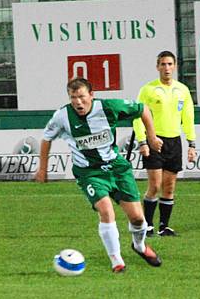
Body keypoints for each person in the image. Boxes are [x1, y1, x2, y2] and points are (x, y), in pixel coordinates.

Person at [35, 77, 164, 273]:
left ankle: (139, 246)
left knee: (138, 219)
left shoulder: (109, 107)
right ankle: (117, 261)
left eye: (81, 97)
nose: (78, 102)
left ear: (91, 95)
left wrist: (152, 137)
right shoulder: (62, 116)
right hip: (89, 172)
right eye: (73, 98)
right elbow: (46, 138)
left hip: (116, 168)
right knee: (106, 210)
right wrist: (42, 168)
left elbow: (143, 109)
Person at [132, 50, 196, 236]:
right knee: (155, 185)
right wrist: (143, 141)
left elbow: (188, 117)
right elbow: (137, 117)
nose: (167, 68)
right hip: (154, 141)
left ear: (175, 66)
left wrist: (192, 144)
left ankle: (164, 226)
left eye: (170, 64)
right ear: (157, 66)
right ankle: (148, 225)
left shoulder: (182, 90)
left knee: (169, 187)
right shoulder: (148, 90)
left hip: (174, 142)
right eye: (163, 64)